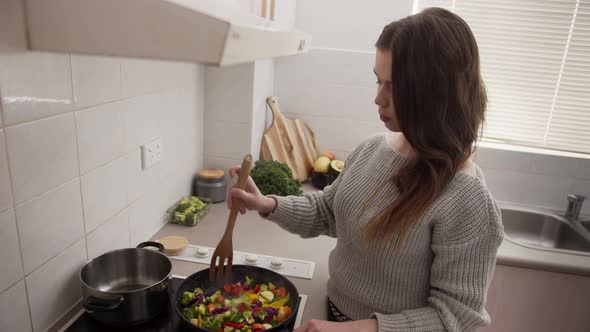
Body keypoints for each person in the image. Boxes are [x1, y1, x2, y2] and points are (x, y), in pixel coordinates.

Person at [227, 7, 504, 332]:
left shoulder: (467, 200)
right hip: (331, 312)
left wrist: (355, 329)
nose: (378, 98)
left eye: (394, 85)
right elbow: (328, 210)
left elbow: (454, 318)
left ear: (435, 92)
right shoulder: (373, 149)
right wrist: (268, 204)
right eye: (378, 80)